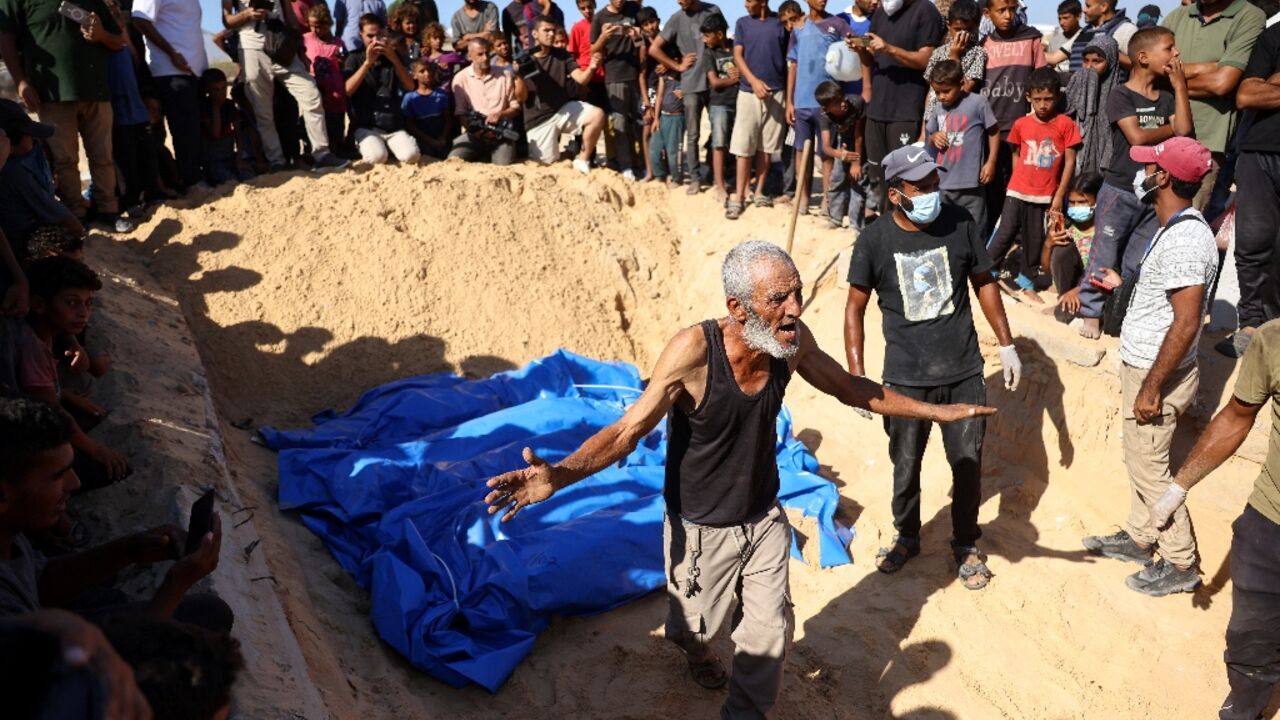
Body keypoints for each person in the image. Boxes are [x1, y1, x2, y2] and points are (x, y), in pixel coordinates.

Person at [485, 239, 994, 717]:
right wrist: (560, 475)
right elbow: (627, 431)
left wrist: (936, 413)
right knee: (694, 632)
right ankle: (697, 651)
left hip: (764, 519)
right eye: (779, 298)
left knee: (768, 637)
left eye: (797, 292)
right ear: (737, 308)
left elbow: (851, 389)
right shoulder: (693, 352)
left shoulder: (791, 342)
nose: (795, 307)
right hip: (701, 528)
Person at [843, 145, 1021, 591]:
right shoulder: (874, 240)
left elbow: (984, 282)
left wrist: (1007, 344)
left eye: (934, 184)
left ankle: (965, 543)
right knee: (905, 464)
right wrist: (858, 375)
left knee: (967, 463)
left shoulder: (960, 223)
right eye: (919, 187)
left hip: (962, 371)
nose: (931, 193)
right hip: (904, 379)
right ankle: (907, 535)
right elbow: (854, 307)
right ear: (895, 193)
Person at [1080, 137, 1217, 597]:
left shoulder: (1186, 240)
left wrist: (1152, 386)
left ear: (1163, 178)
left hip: (1156, 374)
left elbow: (1186, 320)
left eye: (1151, 168)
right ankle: (1141, 538)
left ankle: (1181, 562)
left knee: (1153, 469)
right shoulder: (1176, 227)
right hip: (1146, 366)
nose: (1143, 174)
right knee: (1142, 459)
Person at [0, 396, 229, 629]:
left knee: (109, 594)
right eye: (58, 476)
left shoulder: (8, 534)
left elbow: (41, 581)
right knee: (207, 616)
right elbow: (93, 665)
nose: (75, 483)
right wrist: (176, 584)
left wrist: (129, 550)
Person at [1147, 319, 1280, 718]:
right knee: (1250, 648)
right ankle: (1244, 708)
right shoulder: (1273, 339)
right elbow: (1238, 415)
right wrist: (1178, 488)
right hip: (1269, 528)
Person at [1075, 26, 1192, 339]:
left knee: (1137, 259)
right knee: (1104, 252)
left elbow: (1185, 127)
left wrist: (1181, 88)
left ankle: (1121, 310)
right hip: (1120, 189)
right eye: (1169, 48)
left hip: (1153, 194)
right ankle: (1091, 311)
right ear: (1143, 57)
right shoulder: (1121, 95)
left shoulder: (1168, 97)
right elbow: (1137, 137)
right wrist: (1171, 129)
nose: (1175, 54)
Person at [0, 0, 132, 231]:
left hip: (96, 90)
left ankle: (109, 210)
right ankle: (75, 213)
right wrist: (21, 81)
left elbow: (118, 39)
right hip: (51, 94)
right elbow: (6, 38)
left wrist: (101, 35)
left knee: (103, 156)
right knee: (65, 160)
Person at [16, 257, 131, 492]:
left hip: (42, 413)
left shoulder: (45, 334)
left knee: (90, 414)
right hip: (22, 441)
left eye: (88, 304)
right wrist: (95, 450)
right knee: (115, 471)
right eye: (71, 303)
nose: (83, 313)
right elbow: (52, 412)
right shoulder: (31, 347)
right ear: (39, 304)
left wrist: (67, 396)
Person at [986, 67, 1081, 304]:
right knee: (1005, 231)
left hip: (1045, 195)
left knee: (1034, 239)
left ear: (1057, 97)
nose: (1043, 105)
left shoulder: (1065, 124)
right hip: (1017, 191)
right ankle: (987, 273)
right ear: (1028, 97)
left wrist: (1059, 194)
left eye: (1048, 99)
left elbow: (1070, 162)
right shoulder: (1021, 124)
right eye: (1037, 99)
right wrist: (1017, 180)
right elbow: (1016, 153)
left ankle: (1026, 282)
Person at [222, 0, 349, 172]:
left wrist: (301, 50)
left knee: (311, 94)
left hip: (282, 44)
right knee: (263, 111)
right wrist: (247, 14)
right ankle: (277, 162)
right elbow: (227, 19)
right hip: (251, 48)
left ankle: (321, 154)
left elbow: (289, 15)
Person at [1162, 0, 1264, 211]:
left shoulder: (1249, 15)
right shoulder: (1178, 16)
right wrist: (1211, 67)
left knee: (1183, 223)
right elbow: (1151, 70)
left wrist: (1174, 78)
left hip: (1206, 142)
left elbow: (1222, 84)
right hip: (1160, 134)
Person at [1224, 20, 1280, 359]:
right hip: (1259, 151)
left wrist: (1271, 84)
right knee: (1253, 240)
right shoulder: (1274, 36)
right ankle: (1252, 324)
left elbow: (1260, 91)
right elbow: (1246, 95)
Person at [861, 0, 944, 217]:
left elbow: (927, 59)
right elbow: (872, 57)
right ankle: (886, 227)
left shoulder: (925, 10)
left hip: (905, 110)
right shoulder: (881, 13)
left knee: (903, 179)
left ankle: (903, 229)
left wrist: (889, 48)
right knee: (877, 177)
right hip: (877, 110)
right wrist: (860, 49)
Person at [980, 0, 1046, 238]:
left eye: (1012, 10)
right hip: (991, 130)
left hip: (1022, 128)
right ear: (987, 14)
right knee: (994, 187)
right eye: (1001, 11)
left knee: (1020, 187)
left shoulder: (1031, 39)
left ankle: (1019, 241)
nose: (1008, 16)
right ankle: (994, 241)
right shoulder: (983, 43)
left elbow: (1041, 81)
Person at [785, 0, 856, 216]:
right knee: (800, 152)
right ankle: (803, 199)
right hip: (801, 102)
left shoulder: (838, 24)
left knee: (826, 153)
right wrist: (789, 101)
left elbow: (853, 50)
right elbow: (793, 66)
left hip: (827, 104)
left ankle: (827, 201)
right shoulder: (798, 28)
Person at [648, 0, 724, 195]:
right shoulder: (676, 19)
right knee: (692, 135)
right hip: (691, 84)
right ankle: (695, 179)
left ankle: (718, 178)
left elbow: (723, 39)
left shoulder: (713, 10)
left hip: (716, 83)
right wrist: (677, 66)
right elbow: (653, 49)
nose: (679, 1)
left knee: (720, 133)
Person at [131, 0, 208, 192]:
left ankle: (191, 177)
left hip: (193, 71)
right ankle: (190, 182)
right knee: (182, 130)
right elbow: (140, 19)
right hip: (168, 70)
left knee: (192, 129)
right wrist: (172, 53)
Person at [725, 0, 787, 220]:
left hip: (776, 92)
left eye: (749, 0)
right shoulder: (742, 24)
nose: (744, 5)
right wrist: (754, 81)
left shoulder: (780, 23)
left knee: (766, 147)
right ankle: (739, 197)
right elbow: (737, 56)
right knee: (744, 147)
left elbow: (789, 59)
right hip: (748, 92)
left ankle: (759, 191)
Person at [519, 17, 604, 170]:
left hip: (562, 110)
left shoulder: (562, 54)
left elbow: (581, 80)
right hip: (538, 120)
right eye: (546, 30)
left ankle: (582, 159)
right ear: (535, 34)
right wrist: (517, 76)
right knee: (546, 166)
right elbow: (521, 98)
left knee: (597, 115)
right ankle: (569, 153)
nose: (551, 34)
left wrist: (591, 67)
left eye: (553, 30)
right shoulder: (524, 59)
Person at [924, 59, 997, 232]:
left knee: (976, 227)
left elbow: (993, 131)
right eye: (937, 92)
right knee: (946, 227)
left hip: (971, 182)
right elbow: (928, 139)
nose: (942, 96)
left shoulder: (978, 103)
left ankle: (977, 258)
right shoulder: (938, 108)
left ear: (962, 82)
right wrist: (934, 137)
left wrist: (991, 162)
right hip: (943, 182)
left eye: (946, 91)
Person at [0, 104, 85, 249]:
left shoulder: (26, 156)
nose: (33, 139)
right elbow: (54, 210)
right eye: (28, 135)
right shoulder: (15, 173)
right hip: (22, 243)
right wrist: (79, 232)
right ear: (8, 144)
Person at [344, 14, 419, 164]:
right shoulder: (353, 57)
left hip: (393, 126)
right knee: (377, 158)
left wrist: (394, 59)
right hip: (365, 126)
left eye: (378, 35)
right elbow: (347, 91)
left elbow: (410, 86)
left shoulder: (393, 56)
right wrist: (367, 63)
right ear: (361, 35)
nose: (374, 40)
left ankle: (388, 146)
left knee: (411, 156)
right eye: (369, 36)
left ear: (384, 33)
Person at [589, 0, 645, 179]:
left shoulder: (633, 9)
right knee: (619, 124)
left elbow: (641, 42)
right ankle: (625, 165)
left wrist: (637, 35)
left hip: (636, 75)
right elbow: (592, 50)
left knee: (640, 123)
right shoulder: (599, 18)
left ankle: (642, 164)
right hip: (614, 77)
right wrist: (604, 37)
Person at [450, 36, 524, 164]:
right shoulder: (460, 79)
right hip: (475, 134)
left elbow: (515, 108)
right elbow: (460, 113)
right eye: (480, 54)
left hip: (501, 133)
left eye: (487, 54)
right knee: (454, 159)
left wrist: (500, 114)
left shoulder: (505, 75)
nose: (485, 58)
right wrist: (476, 132)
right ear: (469, 56)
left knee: (503, 165)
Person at [920, 0, 985, 130]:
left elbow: (965, 88)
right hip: (934, 120)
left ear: (976, 26)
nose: (963, 34)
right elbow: (932, 92)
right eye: (958, 29)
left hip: (958, 121)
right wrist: (924, 127)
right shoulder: (938, 52)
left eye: (968, 30)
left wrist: (955, 57)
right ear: (949, 26)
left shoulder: (978, 53)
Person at [1044, 171, 1101, 318]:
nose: (1076, 207)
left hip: (1096, 289)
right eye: (1072, 202)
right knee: (1062, 251)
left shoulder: (1106, 232)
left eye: (1082, 202)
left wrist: (1079, 290)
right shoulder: (1067, 230)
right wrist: (1048, 245)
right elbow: (1047, 269)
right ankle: (1065, 302)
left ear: (1097, 201)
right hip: (1069, 289)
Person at [1065, 35, 1120, 176]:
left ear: (1111, 62)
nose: (1089, 67)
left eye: (1097, 61)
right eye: (1086, 61)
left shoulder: (1120, 95)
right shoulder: (1075, 85)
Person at [814, 80, 864, 229]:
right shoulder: (824, 116)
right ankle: (835, 218)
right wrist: (840, 154)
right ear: (826, 109)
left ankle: (855, 225)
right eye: (837, 103)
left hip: (861, 145)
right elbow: (826, 147)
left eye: (842, 98)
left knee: (858, 182)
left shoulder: (856, 103)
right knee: (836, 180)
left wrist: (856, 163)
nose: (843, 103)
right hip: (843, 146)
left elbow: (859, 137)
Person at [305, 3, 350, 158]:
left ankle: (337, 153)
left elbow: (343, 66)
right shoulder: (306, 40)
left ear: (327, 24)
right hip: (315, 94)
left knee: (335, 126)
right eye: (311, 26)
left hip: (335, 94)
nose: (314, 30)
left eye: (318, 26)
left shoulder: (338, 44)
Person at [701, 14, 737, 202]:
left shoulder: (736, 47)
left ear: (720, 34)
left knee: (739, 144)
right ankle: (720, 185)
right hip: (719, 104)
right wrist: (734, 79)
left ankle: (740, 183)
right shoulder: (709, 53)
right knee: (719, 144)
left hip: (738, 102)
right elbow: (714, 82)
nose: (704, 40)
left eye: (707, 35)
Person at [200, 68, 250, 185]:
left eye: (223, 88)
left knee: (248, 175)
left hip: (230, 156)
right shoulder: (205, 107)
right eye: (215, 90)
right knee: (228, 180)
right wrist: (216, 108)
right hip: (213, 160)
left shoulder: (229, 105)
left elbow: (238, 134)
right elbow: (216, 134)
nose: (221, 93)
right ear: (208, 90)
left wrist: (239, 159)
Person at [1070, 0, 1138, 72]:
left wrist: (1109, 51)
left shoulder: (1126, 29)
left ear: (1104, 7)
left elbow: (1137, 66)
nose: (1084, 10)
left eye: (1088, 6)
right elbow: (1061, 54)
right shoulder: (1085, 31)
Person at [401, 61, 452, 158]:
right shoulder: (410, 98)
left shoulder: (441, 94)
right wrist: (430, 140)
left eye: (429, 70)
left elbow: (448, 119)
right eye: (422, 71)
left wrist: (443, 137)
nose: (427, 74)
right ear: (414, 75)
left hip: (440, 136)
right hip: (423, 138)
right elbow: (410, 125)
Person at [649, 66, 684, 184]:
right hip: (663, 116)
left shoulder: (684, 77)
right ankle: (659, 175)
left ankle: (676, 178)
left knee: (673, 151)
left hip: (676, 117)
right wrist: (656, 119)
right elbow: (659, 97)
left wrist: (684, 96)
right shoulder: (663, 77)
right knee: (655, 148)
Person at [1046, 0, 1084, 79]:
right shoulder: (1054, 42)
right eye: (1059, 19)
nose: (1062, 22)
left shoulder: (1085, 38)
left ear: (1078, 16)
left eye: (1066, 18)